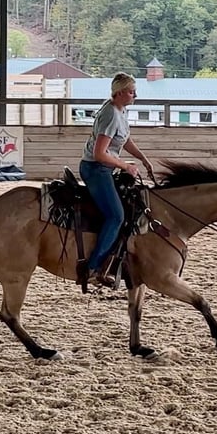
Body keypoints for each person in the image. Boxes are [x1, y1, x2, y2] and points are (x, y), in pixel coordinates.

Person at [79, 72, 153, 286]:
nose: (135, 95)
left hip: (103, 168)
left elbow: (125, 139)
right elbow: (99, 153)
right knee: (116, 216)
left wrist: (142, 158)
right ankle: (93, 268)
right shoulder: (111, 114)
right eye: (131, 91)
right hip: (96, 169)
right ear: (120, 93)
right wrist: (126, 165)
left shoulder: (118, 110)